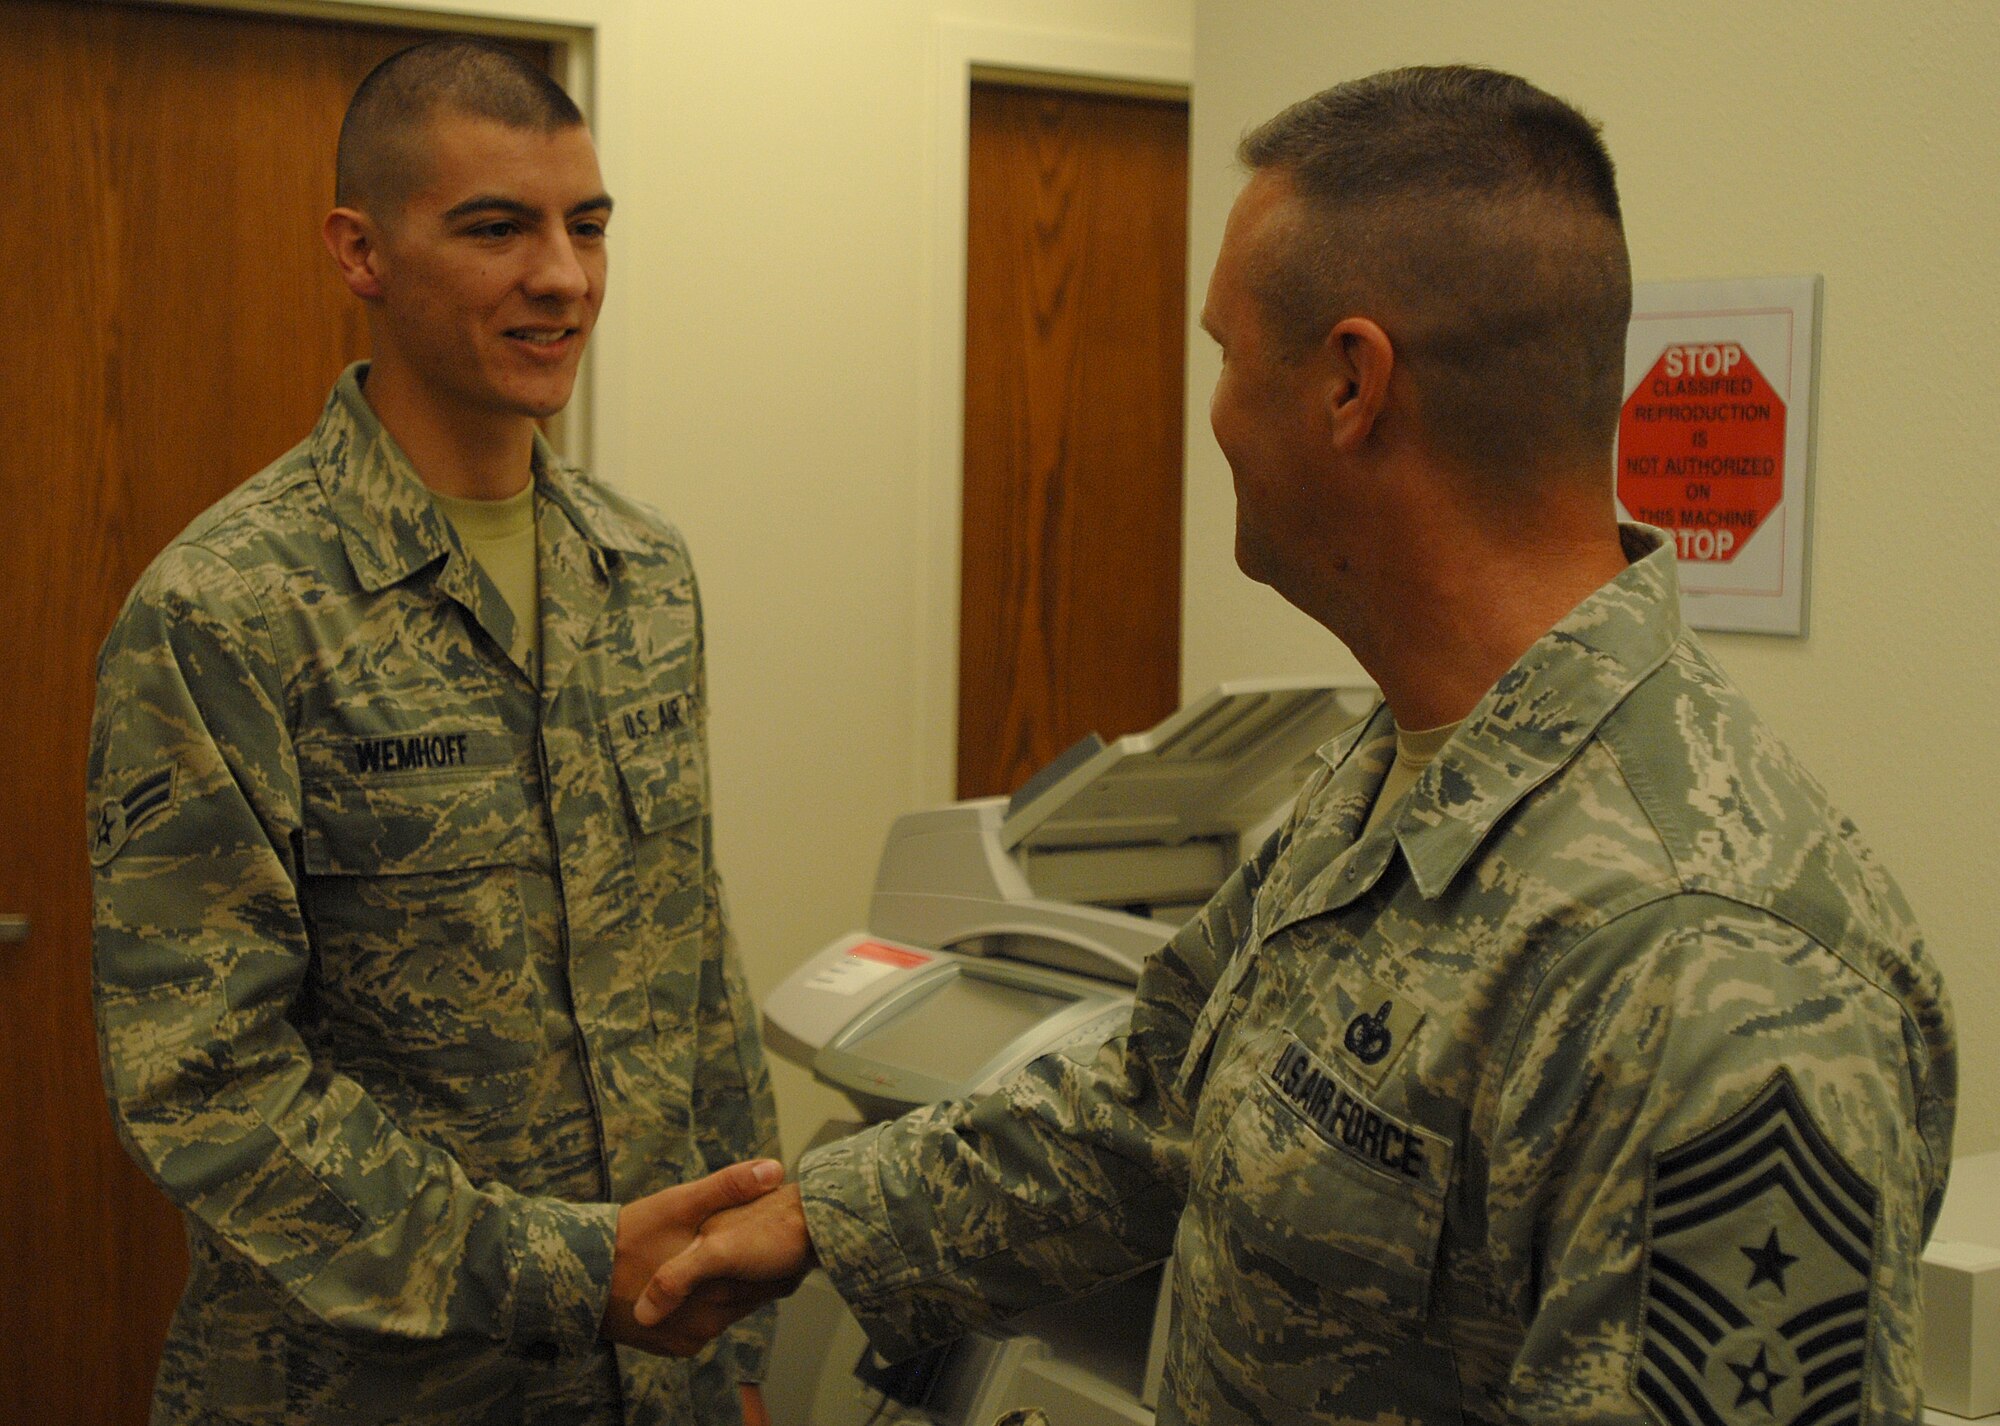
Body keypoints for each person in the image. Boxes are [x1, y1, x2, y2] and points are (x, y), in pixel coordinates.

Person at [631, 66, 1957, 1424]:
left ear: (1347, 383)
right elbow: (1162, 1096)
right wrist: (819, 1219)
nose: (1209, 412)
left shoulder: (1714, 970)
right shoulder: (1394, 768)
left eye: (1221, 350)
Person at [88, 38, 781, 1426]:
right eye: (498, 228)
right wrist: (559, 1267)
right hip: (361, 1390)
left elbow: (694, 962)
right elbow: (207, 1077)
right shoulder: (227, 611)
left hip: (648, 1379)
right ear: (361, 251)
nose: (565, 277)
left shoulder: (641, 571)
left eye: (587, 227)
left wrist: (738, 1345)